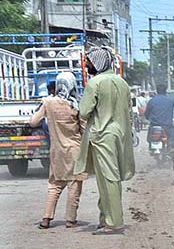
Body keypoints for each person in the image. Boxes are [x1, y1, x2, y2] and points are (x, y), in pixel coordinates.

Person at [74, 46, 136, 235]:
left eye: (90, 62)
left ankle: (114, 222)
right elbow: (129, 111)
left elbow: (84, 113)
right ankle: (105, 217)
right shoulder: (122, 82)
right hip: (120, 134)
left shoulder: (95, 83)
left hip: (102, 135)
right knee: (108, 178)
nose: (87, 66)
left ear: (98, 63)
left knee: (108, 179)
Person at [29, 72, 88, 229]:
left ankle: (46, 219)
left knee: (55, 185)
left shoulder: (48, 103)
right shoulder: (76, 104)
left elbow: (33, 122)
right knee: (74, 185)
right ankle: (70, 220)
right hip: (75, 151)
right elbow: (84, 128)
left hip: (56, 151)